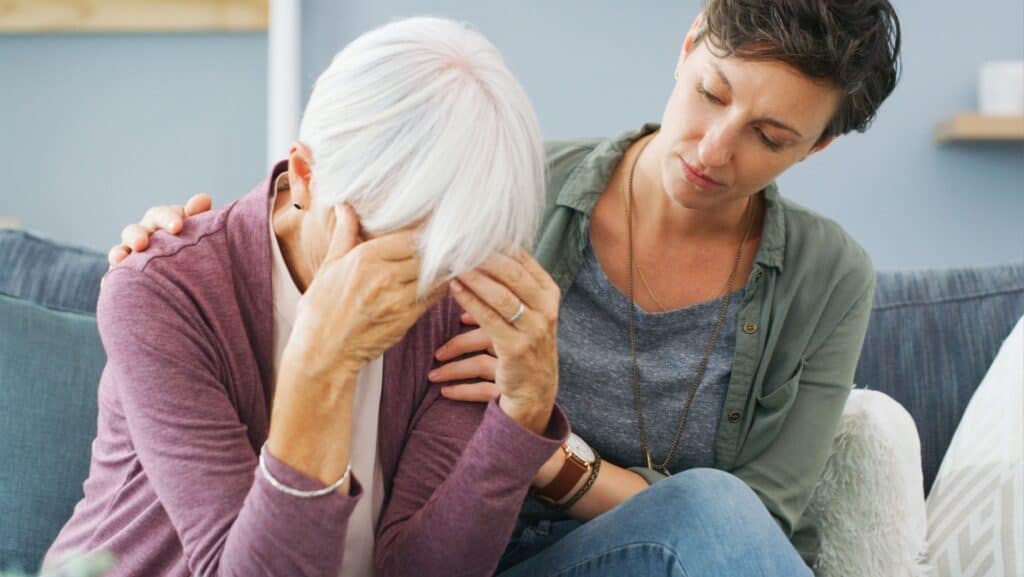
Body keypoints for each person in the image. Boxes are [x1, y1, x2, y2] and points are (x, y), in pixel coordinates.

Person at [111, 0, 902, 575]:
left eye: (771, 137)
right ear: (690, 42)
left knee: (719, 512)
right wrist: (181, 255)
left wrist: (534, 430)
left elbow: (759, 525)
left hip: (641, 546)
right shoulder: (487, 204)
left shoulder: (826, 276)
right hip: (497, 543)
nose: (716, 148)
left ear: (817, 146)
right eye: (713, 93)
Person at [45, 17, 571, 577]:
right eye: (390, 241)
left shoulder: (455, 289)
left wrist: (523, 415)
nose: (417, 285)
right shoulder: (166, 291)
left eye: (450, 249)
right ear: (304, 175)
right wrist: (324, 360)